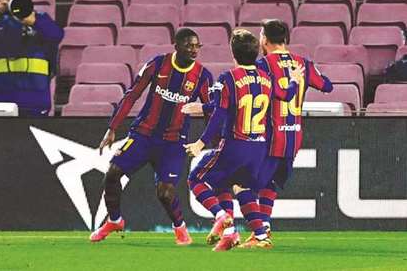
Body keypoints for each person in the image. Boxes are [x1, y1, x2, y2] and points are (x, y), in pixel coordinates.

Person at [90, 28, 213, 246]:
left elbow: (211, 111)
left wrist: (207, 139)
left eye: (197, 46)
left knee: (165, 193)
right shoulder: (157, 64)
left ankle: (180, 228)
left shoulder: (203, 76)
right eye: (189, 45)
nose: (194, 50)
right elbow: (133, 93)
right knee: (112, 173)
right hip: (143, 135)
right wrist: (113, 127)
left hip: (174, 142)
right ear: (176, 45)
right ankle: (115, 220)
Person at [184, 29, 303, 252]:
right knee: (237, 186)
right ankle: (256, 235)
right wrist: (294, 81)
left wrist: (200, 142)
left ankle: (222, 217)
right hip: (259, 148)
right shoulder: (266, 77)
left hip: (235, 146)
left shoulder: (228, 79)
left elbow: (219, 114)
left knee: (195, 178)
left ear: (233, 53)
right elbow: (286, 95)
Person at [243, 19, 333, 243]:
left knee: (244, 184)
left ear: (264, 39)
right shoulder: (303, 64)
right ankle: (264, 227)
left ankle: (259, 234)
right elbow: (327, 85)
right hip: (293, 136)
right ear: (285, 39)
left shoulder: (262, 66)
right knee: (270, 185)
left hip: (270, 137)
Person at [0, 0, 64, 116]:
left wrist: (35, 22)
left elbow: (57, 35)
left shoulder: (40, 18)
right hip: (3, 100)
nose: (13, 2)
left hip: (35, 99)